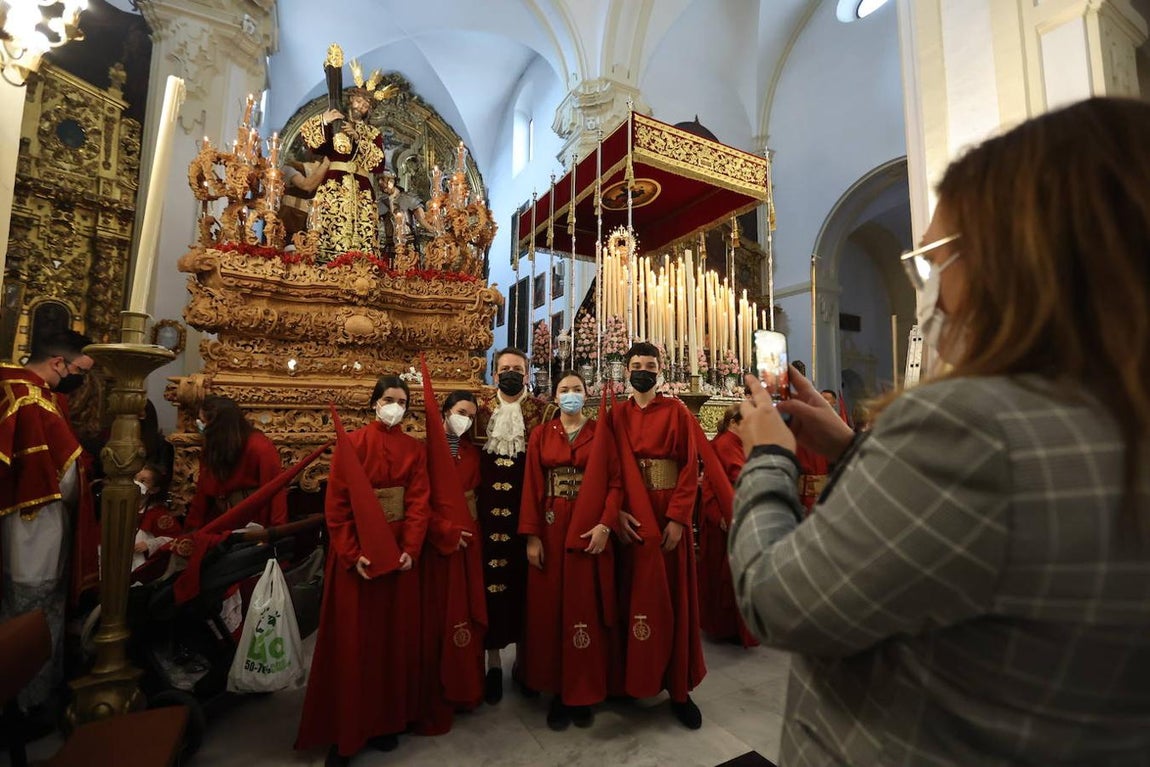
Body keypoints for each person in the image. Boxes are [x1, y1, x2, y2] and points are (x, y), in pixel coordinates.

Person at [729, 97, 1150, 766]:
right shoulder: (1114, 409)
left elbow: (777, 600)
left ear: (1018, 254)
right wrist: (853, 448)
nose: (930, 286)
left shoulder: (970, 425)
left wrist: (768, 457)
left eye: (938, 255)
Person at [297, 375, 430, 766]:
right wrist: (351, 553)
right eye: (389, 399)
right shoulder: (351, 444)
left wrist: (411, 549)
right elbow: (336, 507)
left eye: (402, 401)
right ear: (374, 403)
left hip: (399, 556)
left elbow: (419, 502)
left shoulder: (414, 449)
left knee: (393, 642)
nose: (395, 406)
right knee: (355, 646)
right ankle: (347, 730)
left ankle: (387, 721)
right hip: (359, 561)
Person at [0, 329, 98, 726]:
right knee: (37, 613)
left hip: (8, 519)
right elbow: (69, 478)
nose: (79, 381)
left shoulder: (5, 383)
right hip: (35, 524)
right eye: (80, 371)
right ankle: (31, 707)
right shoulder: (35, 400)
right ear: (58, 363)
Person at [609, 341, 706, 729]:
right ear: (626, 369)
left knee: (673, 598)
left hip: (667, 515)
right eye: (636, 364)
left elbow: (689, 466)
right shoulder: (615, 415)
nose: (642, 370)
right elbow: (607, 467)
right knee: (628, 594)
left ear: (660, 370)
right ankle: (626, 680)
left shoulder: (677, 413)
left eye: (649, 364)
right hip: (630, 516)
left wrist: (680, 519)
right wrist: (614, 512)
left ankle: (678, 688)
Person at [519, 371, 613, 730]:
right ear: (555, 396)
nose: (571, 395)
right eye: (564, 390)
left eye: (577, 389)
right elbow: (531, 485)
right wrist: (531, 536)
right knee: (550, 607)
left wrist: (606, 524)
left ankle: (584, 690)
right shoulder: (542, 434)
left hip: (589, 527)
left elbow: (615, 481)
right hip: (551, 522)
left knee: (585, 605)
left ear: (586, 394)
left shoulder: (601, 432)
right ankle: (557, 690)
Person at [473, 347, 547, 702]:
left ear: (527, 373)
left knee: (526, 587)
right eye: (505, 369)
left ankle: (526, 663)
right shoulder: (478, 412)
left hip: (526, 513)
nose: (511, 373)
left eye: (518, 368)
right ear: (494, 373)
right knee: (489, 587)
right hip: (485, 516)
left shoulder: (542, 412)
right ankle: (492, 664)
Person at [414, 389, 482, 735]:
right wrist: (444, 530)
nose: (465, 420)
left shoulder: (471, 452)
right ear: (444, 412)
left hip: (471, 538)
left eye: (471, 415)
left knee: (467, 612)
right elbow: (419, 503)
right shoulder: (425, 452)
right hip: (439, 543)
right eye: (460, 412)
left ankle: (467, 687)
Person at [299, 87, 386, 261]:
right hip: (335, 183)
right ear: (351, 100)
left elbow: (378, 164)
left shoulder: (373, 134)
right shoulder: (336, 122)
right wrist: (324, 120)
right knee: (330, 223)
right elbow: (313, 144)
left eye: (366, 104)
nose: (361, 106)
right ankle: (326, 258)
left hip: (362, 187)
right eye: (359, 101)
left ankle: (362, 260)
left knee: (363, 226)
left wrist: (358, 138)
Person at [697, 404, 756, 648]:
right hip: (725, 517)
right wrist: (719, 513)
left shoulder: (734, 443)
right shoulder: (725, 443)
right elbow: (720, 482)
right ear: (733, 423)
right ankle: (726, 628)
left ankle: (731, 627)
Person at [184, 396, 287, 532]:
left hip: (253, 526)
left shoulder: (259, 446)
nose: (200, 427)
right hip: (220, 522)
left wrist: (276, 531)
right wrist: (190, 531)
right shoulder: (212, 446)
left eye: (203, 422)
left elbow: (275, 490)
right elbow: (202, 493)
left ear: (218, 425)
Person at [131, 463, 182, 574]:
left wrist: (149, 544)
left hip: (138, 561)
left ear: (154, 490)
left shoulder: (158, 513)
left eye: (143, 481)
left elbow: (174, 539)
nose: (136, 483)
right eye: (135, 478)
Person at [279, 155, 330, 240]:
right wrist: (325, 165)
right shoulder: (287, 168)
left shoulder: (316, 170)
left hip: (308, 220)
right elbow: (307, 185)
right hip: (290, 219)